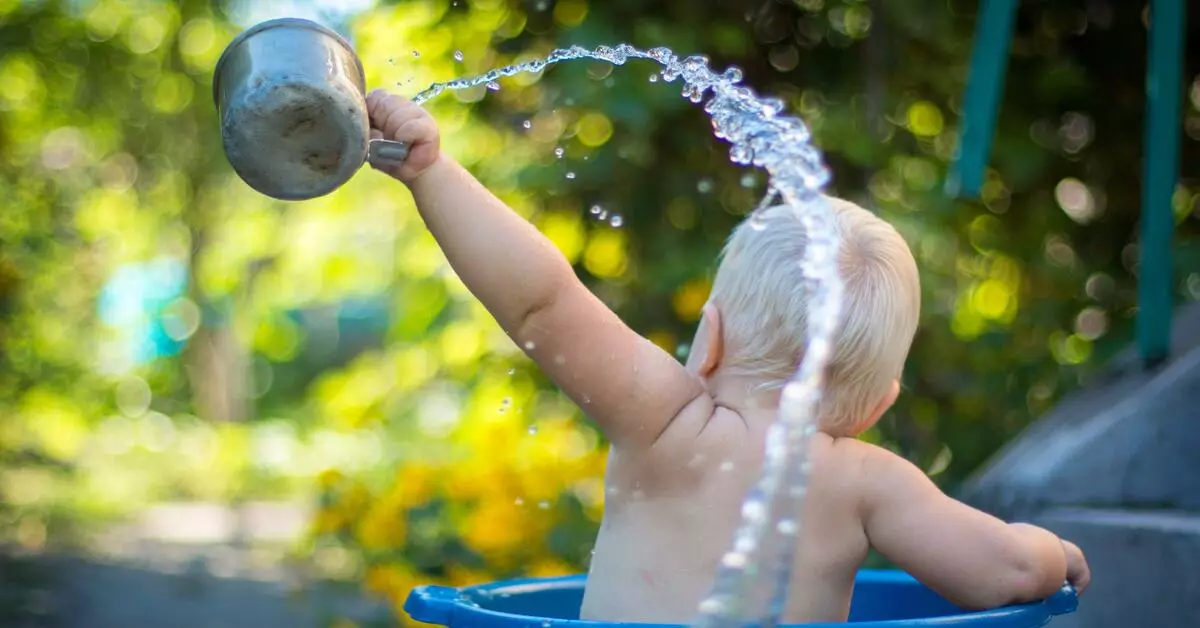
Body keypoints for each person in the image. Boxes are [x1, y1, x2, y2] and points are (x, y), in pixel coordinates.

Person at [364, 89, 1090, 623]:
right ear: (879, 404)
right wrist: (1054, 553)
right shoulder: (869, 483)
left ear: (707, 339)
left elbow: (542, 302)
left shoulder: (665, 423)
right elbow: (1008, 572)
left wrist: (432, 171)